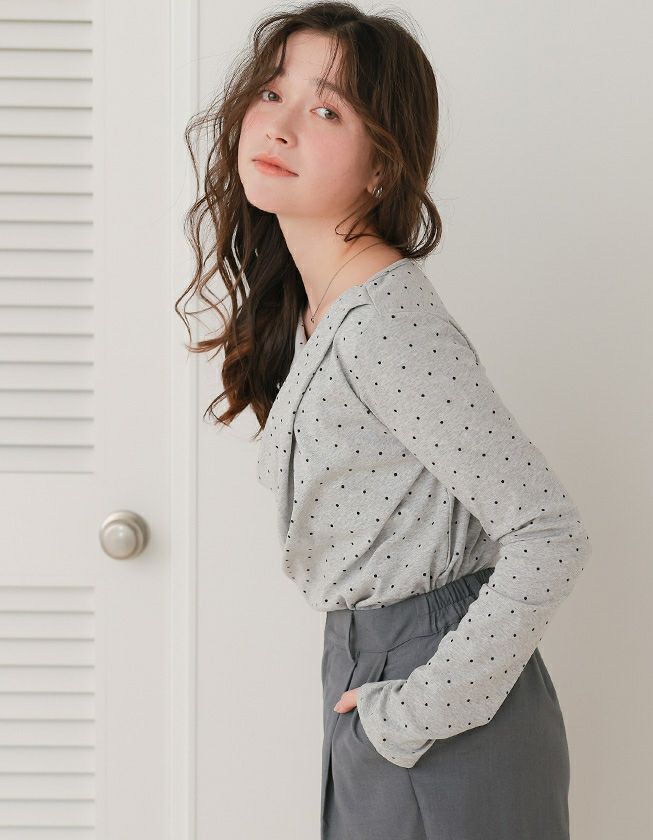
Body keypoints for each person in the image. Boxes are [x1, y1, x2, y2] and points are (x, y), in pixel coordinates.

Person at [175, 3, 593, 839]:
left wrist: (410, 716)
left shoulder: (385, 323)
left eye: (328, 111)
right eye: (272, 93)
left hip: (434, 703)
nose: (281, 125)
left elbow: (551, 534)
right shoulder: (321, 309)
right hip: (375, 672)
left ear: (381, 167)